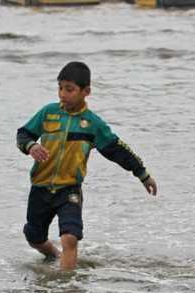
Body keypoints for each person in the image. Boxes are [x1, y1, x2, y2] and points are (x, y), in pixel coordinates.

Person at [16, 61, 157, 271]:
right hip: (40, 187)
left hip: (69, 189)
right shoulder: (48, 113)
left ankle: (67, 290)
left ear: (86, 91)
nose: (63, 94)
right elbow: (23, 134)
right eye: (60, 88)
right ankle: (53, 254)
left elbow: (117, 150)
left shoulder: (92, 124)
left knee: (70, 239)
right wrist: (30, 146)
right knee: (34, 237)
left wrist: (142, 174)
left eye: (69, 89)